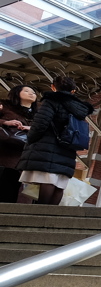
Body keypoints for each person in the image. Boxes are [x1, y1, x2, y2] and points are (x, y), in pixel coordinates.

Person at [17, 76, 93, 206]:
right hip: (68, 148)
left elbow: (41, 124)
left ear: (53, 87)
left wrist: (31, 139)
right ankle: (51, 216)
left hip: (48, 147)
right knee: (59, 183)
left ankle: (40, 215)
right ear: (73, 91)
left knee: (47, 179)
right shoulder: (79, 108)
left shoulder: (52, 101)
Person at [0, 85, 37, 203]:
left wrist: (31, 128)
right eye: (26, 91)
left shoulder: (39, 114)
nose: (31, 94)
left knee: (21, 192)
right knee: (6, 187)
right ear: (17, 94)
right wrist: (6, 122)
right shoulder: (5, 106)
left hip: (27, 156)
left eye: (33, 92)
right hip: (7, 153)